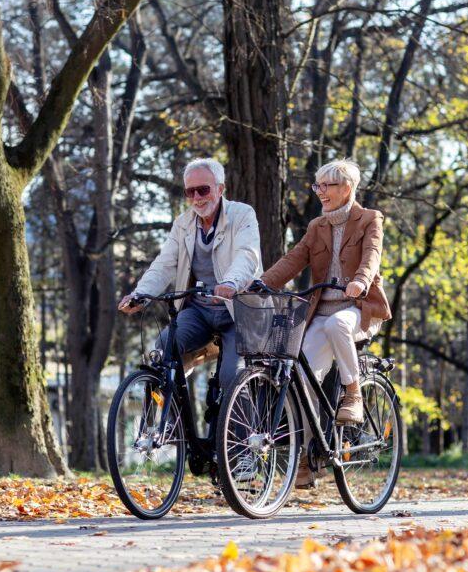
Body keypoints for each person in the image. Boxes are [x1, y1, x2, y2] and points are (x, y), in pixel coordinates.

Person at [259, 159, 392, 487]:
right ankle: (305, 455)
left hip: (358, 310)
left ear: (346, 188)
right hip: (322, 311)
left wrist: (361, 280)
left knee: (338, 327)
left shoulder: (369, 219)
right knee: (303, 380)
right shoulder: (317, 227)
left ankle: (353, 393)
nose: (320, 192)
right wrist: (261, 283)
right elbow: (293, 259)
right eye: (317, 186)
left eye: (326, 186)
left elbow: (371, 255)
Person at [118, 158, 262, 395]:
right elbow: (164, 264)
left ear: (220, 189)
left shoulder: (242, 214)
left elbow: (248, 255)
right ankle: (173, 423)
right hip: (200, 311)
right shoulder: (183, 224)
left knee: (232, 378)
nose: (196, 197)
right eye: (190, 192)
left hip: (238, 310)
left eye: (203, 190)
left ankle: (238, 431)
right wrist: (140, 294)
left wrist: (230, 283)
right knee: (165, 346)